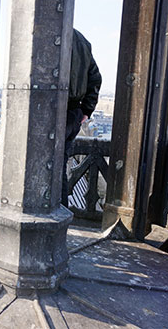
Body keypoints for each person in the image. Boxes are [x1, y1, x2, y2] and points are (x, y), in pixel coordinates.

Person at [63, 29, 102, 207]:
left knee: (44, 170)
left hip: (53, 112)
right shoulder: (80, 39)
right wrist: (85, 110)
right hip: (72, 113)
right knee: (58, 170)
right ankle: (60, 212)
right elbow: (95, 77)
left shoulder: (47, 31)